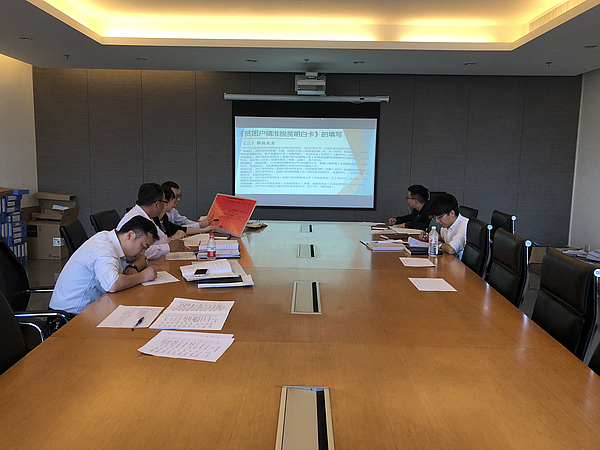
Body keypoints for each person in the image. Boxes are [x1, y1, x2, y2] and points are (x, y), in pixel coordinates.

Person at [49, 216, 158, 315]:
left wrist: (132, 267)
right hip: (68, 317)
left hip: (90, 309)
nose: (142, 252)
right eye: (143, 247)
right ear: (130, 235)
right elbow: (113, 284)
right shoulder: (103, 248)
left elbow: (143, 258)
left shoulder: (113, 240)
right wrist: (142, 276)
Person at [117, 183, 185, 259]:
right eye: (164, 202)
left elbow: (163, 239)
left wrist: (167, 245)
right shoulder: (135, 218)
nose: (164, 206)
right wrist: (168, 247)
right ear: (157, 204)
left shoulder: (147, 216)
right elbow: (141, 251)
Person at [420, 193, 468, 259]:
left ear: (452, 213)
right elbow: (443, 237)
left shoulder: (464, 225)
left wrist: (438, 244)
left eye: (439, 217)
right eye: (435, 218)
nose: (437, 221)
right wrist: (430, 238)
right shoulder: (447, 224)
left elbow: (451, 249)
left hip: (458, 263)